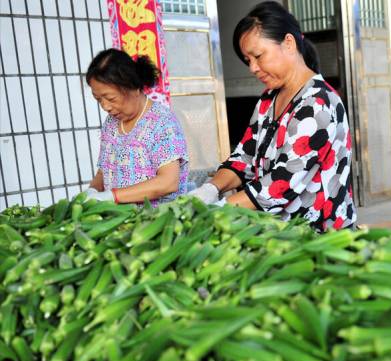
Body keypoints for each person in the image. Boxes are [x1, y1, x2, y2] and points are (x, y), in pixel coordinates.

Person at [187, 1, 356, 232]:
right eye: (248, 61)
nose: (253, 68)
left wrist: (216, 209)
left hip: (320, 238)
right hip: (278, 234)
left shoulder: (318, 104)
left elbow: (281, 183)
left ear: (288, 43)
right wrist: (210, 189)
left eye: (258, 56)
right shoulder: (269, 99)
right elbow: (244, 157)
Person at [84, 49, 188, 206]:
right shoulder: (111, 123)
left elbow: (168, 182)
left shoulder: (162, 122)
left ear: (135, 87)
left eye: (111, 98)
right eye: (99, 99)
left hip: (156, 221)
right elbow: (104, 170)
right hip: (120, 222)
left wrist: (113, 196)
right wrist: (92, 190)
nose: (105, 106)